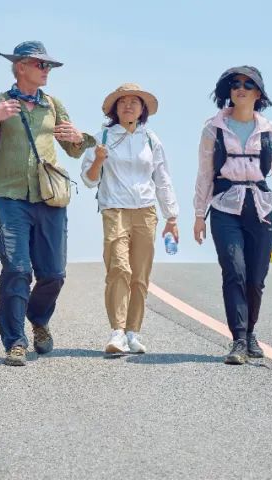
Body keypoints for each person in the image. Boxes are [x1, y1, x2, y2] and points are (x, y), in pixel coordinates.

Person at [0, 41, 95, 367]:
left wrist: (79, 138)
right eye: (40, 64)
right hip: (10, 197)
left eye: (48, 66)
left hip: (51, 198)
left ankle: (38, 319)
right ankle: (15, 342)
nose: (46, 70)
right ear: (20, 66)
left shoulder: (53, 105)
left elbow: (75, 150)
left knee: (54, 274)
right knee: (17, 269)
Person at [192, 66, 272, 365]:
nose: (241, 88)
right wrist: (198, 214)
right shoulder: (213, 128)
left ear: (258, 94)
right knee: (234, 271)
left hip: (259, 208)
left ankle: (250, 334)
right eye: (235, 84)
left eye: (248, 84)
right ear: (228, 91)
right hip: (224, 206)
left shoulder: (271, 131)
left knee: (256, 278)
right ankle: (237, 340)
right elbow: (205, 173)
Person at [82, 83, 179, 355]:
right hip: (114, 209)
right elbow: (88, 180)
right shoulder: (101, 137)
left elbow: (163, 179)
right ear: (114, 108)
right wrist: (98, 160)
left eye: (135, 102)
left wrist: (171, 216)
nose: (128, 106)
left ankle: (133, 333)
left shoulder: (151, 139)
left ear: (143, 109)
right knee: (118, 268)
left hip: (146, 212)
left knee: (139, 275)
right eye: (123, 102)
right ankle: (117, 332)